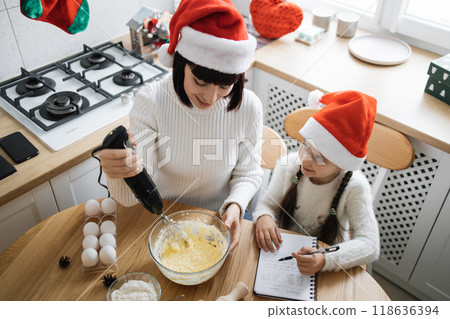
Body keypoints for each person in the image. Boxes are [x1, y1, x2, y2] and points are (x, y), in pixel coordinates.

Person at [97, 0, 263, 252]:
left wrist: (236, 204)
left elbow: (248, 173)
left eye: (224, 86)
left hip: (217, 218)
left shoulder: (249, 106)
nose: (210, 98)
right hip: (162, 217)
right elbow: (130, 198)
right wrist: (118, 171)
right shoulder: (151, 101)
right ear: (179, 63)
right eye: (200, 81)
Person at [252, 90, 380, 275]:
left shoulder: (355, 188)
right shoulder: (289, 166)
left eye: (319, 158)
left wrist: (325, 258)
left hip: (325, 269)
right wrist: (264, 217)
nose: (305, 159)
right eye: (305, 145)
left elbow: (370, 244)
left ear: (343, 165)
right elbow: (268, 204)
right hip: (278, 252)